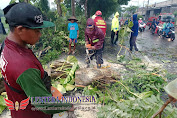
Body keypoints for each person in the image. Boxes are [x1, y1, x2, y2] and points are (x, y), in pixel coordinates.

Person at [1, 3, 73, 118]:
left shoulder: (6, 46)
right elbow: (45, 104)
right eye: (37, 31)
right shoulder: (23, 66)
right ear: (20, 29)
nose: (40, 34)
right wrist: (67, 105)